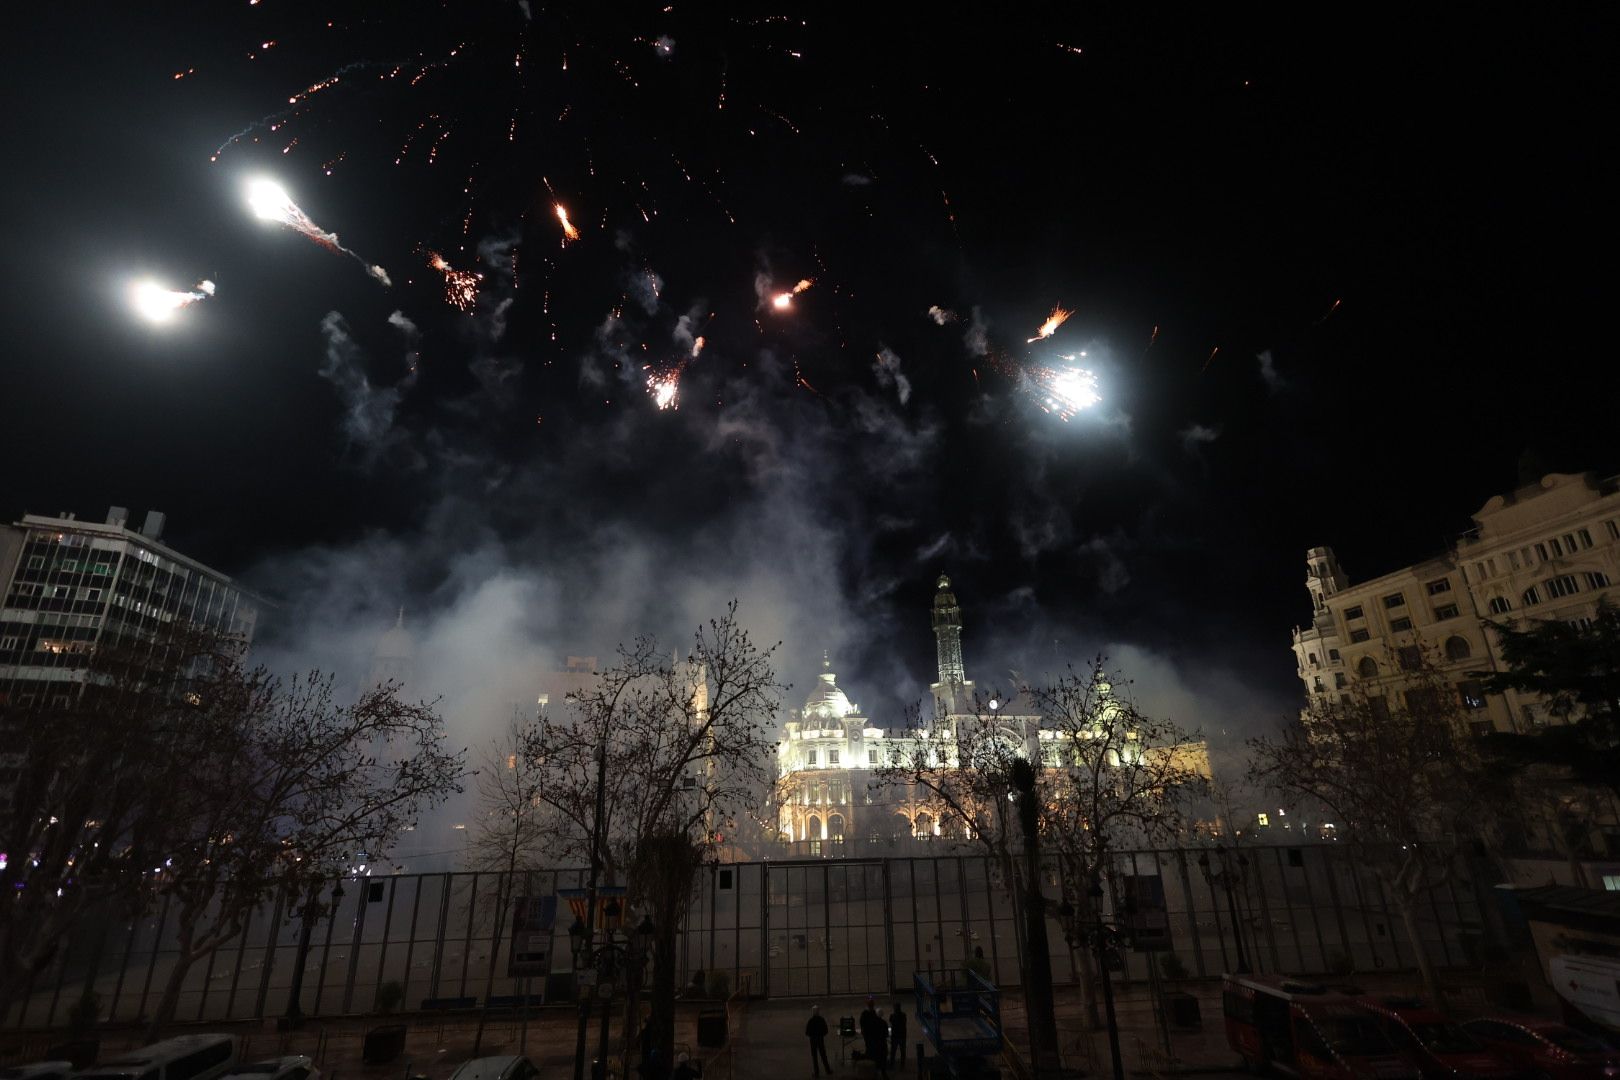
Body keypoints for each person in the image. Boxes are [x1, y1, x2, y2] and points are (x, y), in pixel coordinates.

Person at [859, 1000, 890, 1078]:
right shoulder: (883, 1023)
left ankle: (874, 1071)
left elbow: (864, 1026)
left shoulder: (867, 1016)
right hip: (881, 1044)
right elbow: (886, 1034)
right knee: (882, 1057)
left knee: (873, 1054)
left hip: (873, 1041)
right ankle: (883, 1072)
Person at [806, 1003, 833, 1076]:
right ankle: (827, 1070)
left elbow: (807, 1032)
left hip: (813, 1041)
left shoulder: (810, 1021)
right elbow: (826, 1031)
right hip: (820, 1040)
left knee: (814, 1057)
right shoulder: (822, 1020)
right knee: (823, 1056)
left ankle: (816, 1072)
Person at [889, 1001, 908, 1067]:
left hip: (895, 1036)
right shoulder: (903, 1015)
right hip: (902, 1036)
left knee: (893, 1051)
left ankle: (892, 1063)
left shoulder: (892, 1016)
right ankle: (902, 1064)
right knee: (902, 1051)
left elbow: (891, 1022)